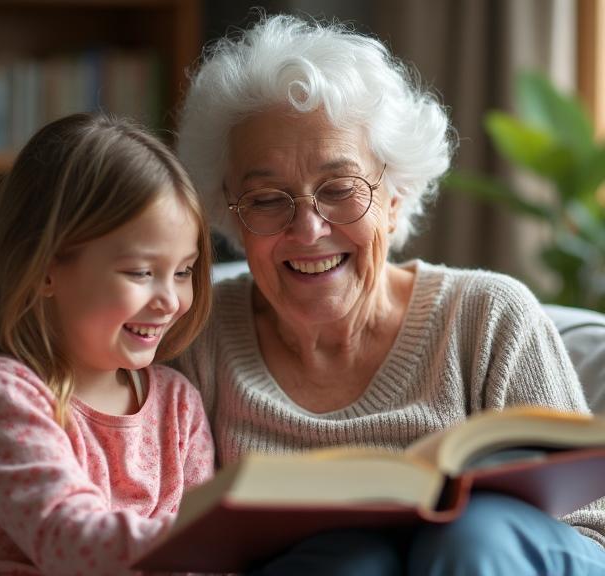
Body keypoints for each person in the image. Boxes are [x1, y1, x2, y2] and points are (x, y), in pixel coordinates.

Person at [173, 14, 605, 575]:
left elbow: (592, 527)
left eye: (340, 189)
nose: (308, 230)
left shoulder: (490, 318)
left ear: (396, 195)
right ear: (228, 213)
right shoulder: (198, 339)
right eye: (267, 198)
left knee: (477, 538)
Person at [0, 113, 215, 575]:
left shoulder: (179, 406)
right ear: (45, 268)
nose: (171, 301)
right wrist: (233, 537)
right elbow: (71, 541)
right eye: (141, 272)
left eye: (183, 271)